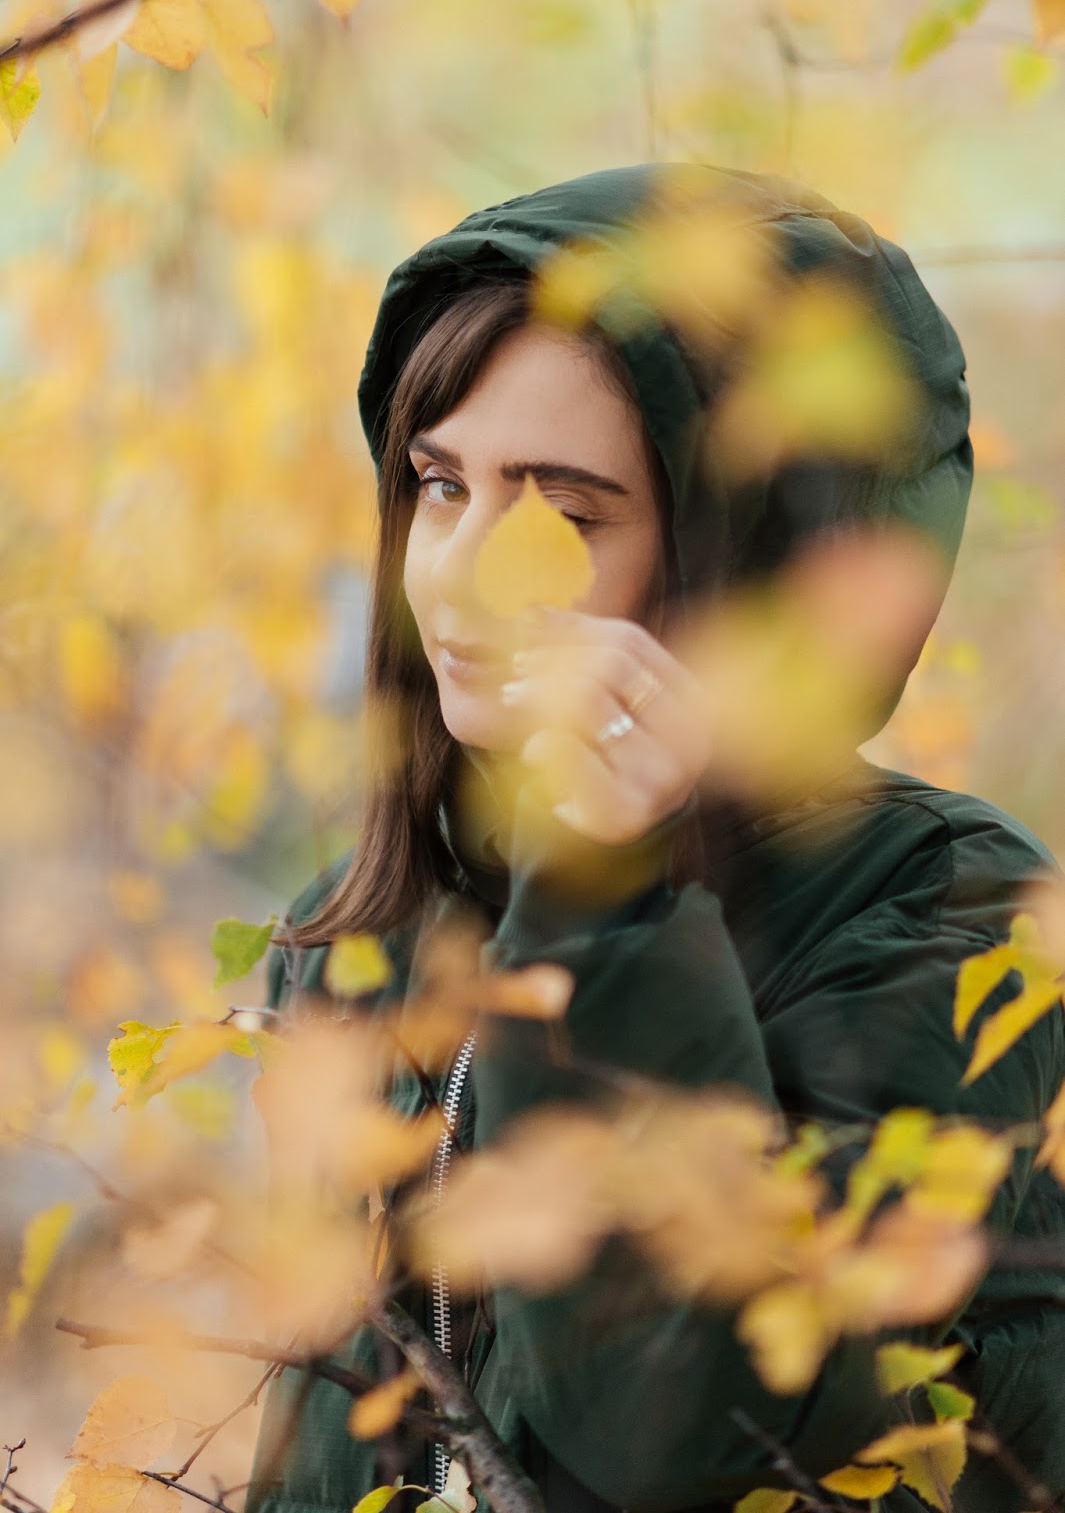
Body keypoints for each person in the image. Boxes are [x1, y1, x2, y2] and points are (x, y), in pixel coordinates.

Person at [246, 166, 1065, 1513]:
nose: (462, 573)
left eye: (564, 514)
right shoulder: (356, 934)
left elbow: (687, 1439)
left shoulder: (956, 921)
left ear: (746, 568)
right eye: (439, 485)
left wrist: (603, 907)